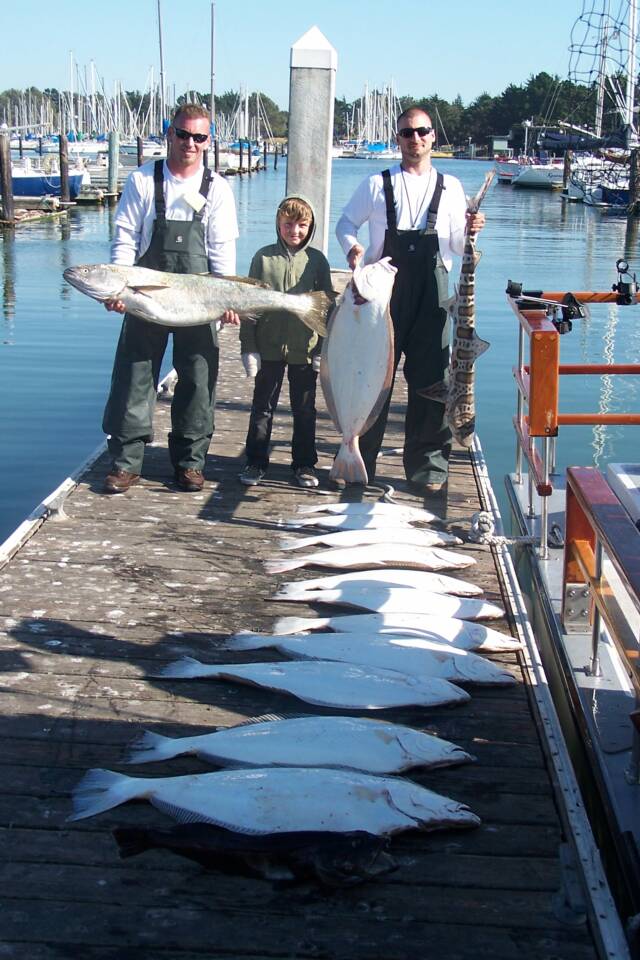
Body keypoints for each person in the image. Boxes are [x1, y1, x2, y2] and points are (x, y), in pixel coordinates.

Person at [335, 106, 485, 494]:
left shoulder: (451, 186)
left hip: (432, 294)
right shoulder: (375, 183)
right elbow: (345, 224)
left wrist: (471, 232)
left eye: (421, 132)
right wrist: (352, 249)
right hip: (383, 295)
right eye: (406, 133)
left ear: (433, 136)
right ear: (397, 138)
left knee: (431, 381)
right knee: (372, 376)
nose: (414, 139)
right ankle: (358, 459)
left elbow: (454, 244)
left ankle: (428, 467)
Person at [101, 103, 239, 495]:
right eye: (183, 134)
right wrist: (117, 287)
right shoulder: (144, 180)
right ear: (169, 134)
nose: (190, 144)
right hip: (145, 294)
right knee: (134, 373)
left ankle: (190, 463)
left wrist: (226, 299)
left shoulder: (218, 188)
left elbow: (222, 254)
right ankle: (126, 461)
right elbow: (125, 239)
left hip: (200, 297)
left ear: (208, 141)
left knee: (198, 376)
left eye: (199, 137)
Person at [238, 195, 333, 489]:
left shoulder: (317, 262)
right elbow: (247, 305)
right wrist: (248, 346)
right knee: (262, 406)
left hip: (304, 350)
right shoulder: (263, 258)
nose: (295, 231)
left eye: (302, 225)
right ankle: (255, 461)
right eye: (288, 224)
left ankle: (304, 464)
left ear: (310, 226)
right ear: (278, 224)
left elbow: (326, 307)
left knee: (304, 409)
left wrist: (321, 349)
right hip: (267, 348)